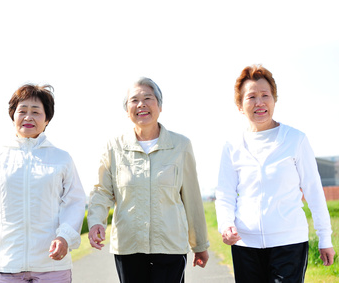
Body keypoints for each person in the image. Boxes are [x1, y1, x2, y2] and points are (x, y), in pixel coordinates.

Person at [215, 65, 335, 282]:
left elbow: (314, 191)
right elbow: (225, 193)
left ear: (274, 99)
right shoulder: (232, 146)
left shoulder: (295, 140)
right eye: (251, 97)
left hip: (289, 242)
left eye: (265, 95)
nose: (259, 102)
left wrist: (325, 238)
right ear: (240, 105)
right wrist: (226, 224)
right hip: (245, 244)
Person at [0, 84, 86, 283]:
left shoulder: (62, 159)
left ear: (47, 119)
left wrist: (65, 237)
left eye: (36, 112)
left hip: (51, 265)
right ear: (13, 116)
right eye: (22, 111)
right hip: (6, 263)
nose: (28, 117)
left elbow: (75, 203)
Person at [87, 77, 210, 283]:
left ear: (160, 106)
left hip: (170, 246)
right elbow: (102, 191)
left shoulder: (180, 145)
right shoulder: (113, 147)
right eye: (134, 100)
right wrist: (95, 222)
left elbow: (192, 197)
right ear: (127, 110)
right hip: (129, 247)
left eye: (148, 98)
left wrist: (200, 245)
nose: (141, 104)